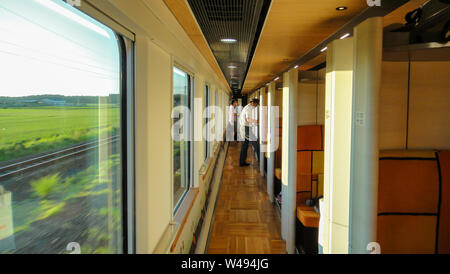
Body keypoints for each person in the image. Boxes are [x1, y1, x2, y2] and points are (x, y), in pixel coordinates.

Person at [239, 98, 260, 167]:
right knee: (256, 143)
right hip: (245, 128)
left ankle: (242, 162)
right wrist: (258, 122)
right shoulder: (249, 108)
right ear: (253, 103)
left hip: (244, 127)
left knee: (244, 146)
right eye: (256, 104)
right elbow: (248, 119)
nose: (256, 106)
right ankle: (262, 163)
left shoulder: (248, 107)